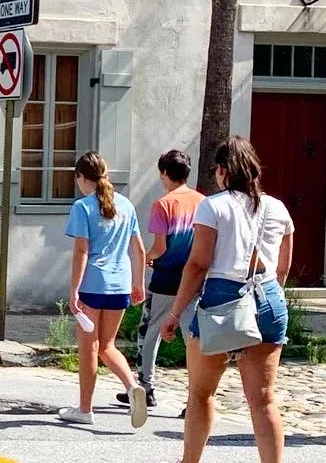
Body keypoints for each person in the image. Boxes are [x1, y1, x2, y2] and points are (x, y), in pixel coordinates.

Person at [163, 137, 295, 463]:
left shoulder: (213, 206)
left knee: (201, 392)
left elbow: (197, 264)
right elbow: (283, 266)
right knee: (263, 399)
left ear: (222, 171)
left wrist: (175, 313)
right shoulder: (277, 207)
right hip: (268, 297)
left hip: (222, 296)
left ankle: (190, 461)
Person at [61, 152, 148, 428]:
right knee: (107, 346)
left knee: (89, 348)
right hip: (120, 284)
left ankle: (85, 408)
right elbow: (139, 249)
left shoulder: (82, 207)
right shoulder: (126, 205)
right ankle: (132, 385)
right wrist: (138, 282)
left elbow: (81, 250)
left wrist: (74, 290)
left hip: (92, 285)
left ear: (81, 177)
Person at [122, 148, 204, 411]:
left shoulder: (163, 204)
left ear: (165, 173)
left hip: (167, 277)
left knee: (151, 331)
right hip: (195, 278)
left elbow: (161, 247)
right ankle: (194, 398)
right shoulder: (203, 202)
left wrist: (145, 260)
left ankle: (146, 386)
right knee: (193, 338)